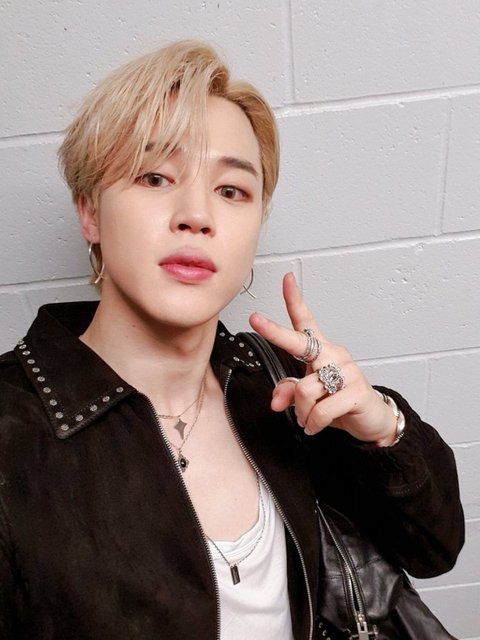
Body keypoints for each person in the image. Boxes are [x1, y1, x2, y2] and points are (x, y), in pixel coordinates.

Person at [0, 40, 464, 640]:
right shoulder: (13, 430)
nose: (197, 215)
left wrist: (381, 431)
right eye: (155, 176)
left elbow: (434, 551)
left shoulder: (278, 386)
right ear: (90, 212)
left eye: (231, 191)